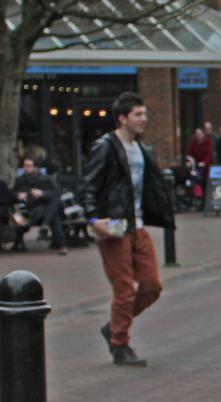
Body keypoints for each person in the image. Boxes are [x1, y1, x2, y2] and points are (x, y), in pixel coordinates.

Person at [80, 91, 175, 367]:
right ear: (122, 118)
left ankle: (113, 327)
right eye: (138, 114)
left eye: (144, 113)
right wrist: (94, 219)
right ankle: (119, 344)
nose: (144, 119)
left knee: (152, 286)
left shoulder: (142, 149)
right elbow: (89, 184)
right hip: (113, 227)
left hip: (137, 226)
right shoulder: (106, 146)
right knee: (124, 291)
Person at [12, 158, 68, 254]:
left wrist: (42, 193)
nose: (26, 168)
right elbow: (13, 194)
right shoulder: (20, 180)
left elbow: (56, 193)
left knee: (52, 206)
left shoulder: (46, 179)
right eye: (25, 166)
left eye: (29, 166)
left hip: (46, 207)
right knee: (54, 216)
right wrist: (20, 195)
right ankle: (61, 245)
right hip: (33, 209)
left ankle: (46, 224)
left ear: (35, 167)